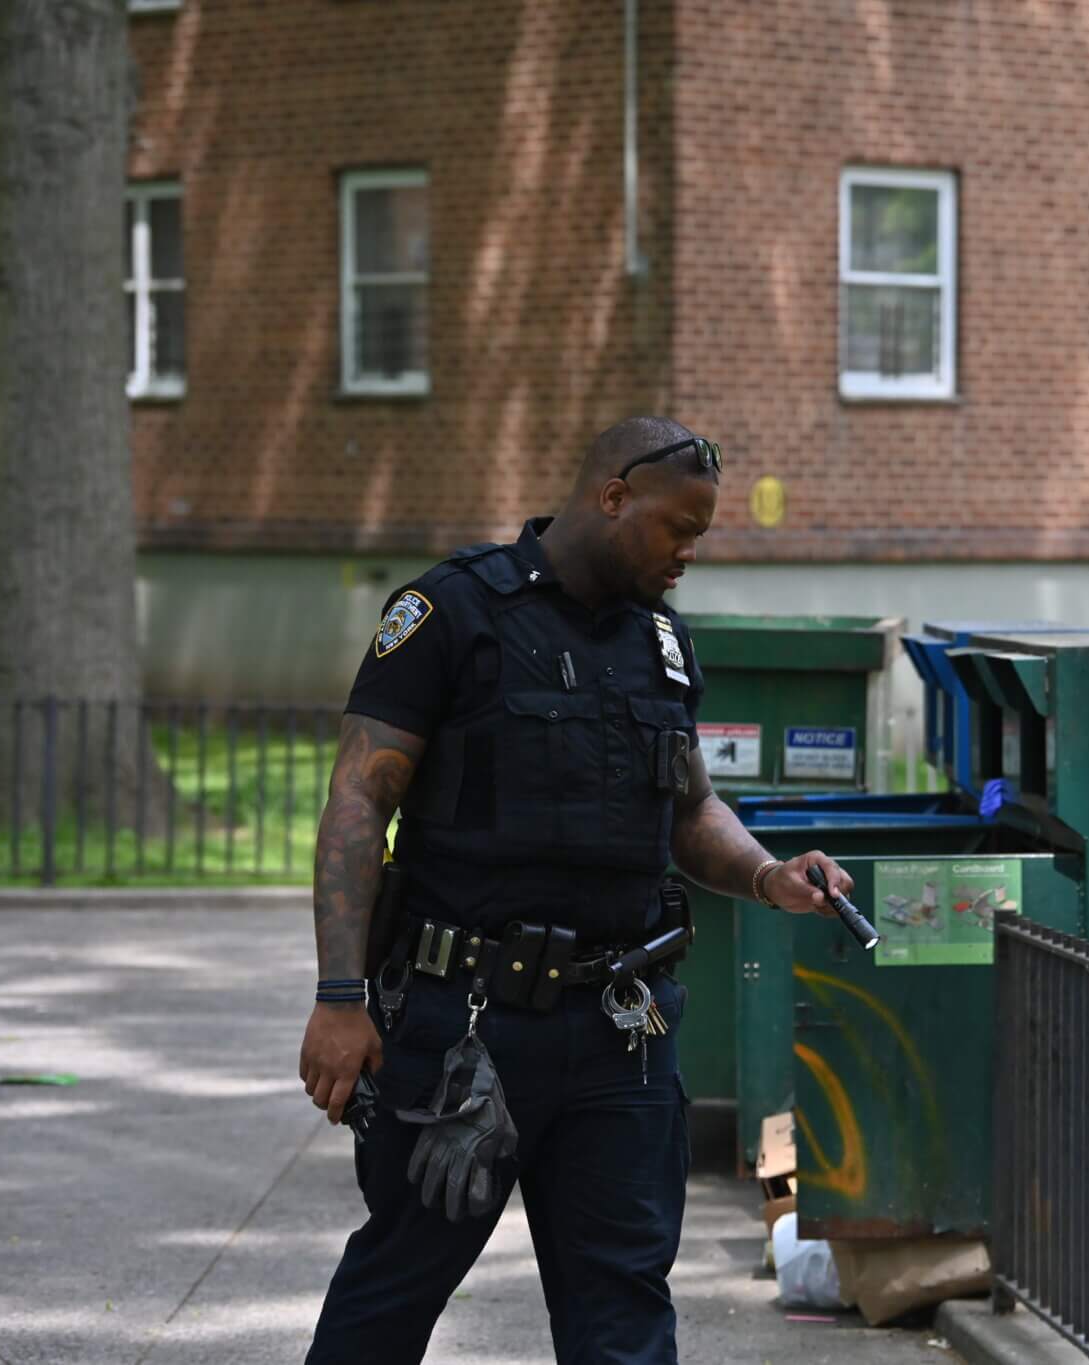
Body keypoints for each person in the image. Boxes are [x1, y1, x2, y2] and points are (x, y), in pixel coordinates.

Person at [297, 416, 852, 1364]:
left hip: (620, 1034)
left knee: (623, 1306)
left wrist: (769, 874)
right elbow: (360, 798)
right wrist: (341, 995)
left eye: (700, 535)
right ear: (611, 497)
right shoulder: (454, 613)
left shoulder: (664, 645)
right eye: (678, 528)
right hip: (466, 1027)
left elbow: (690, 808)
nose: (689, 553)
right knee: (397, 1283)